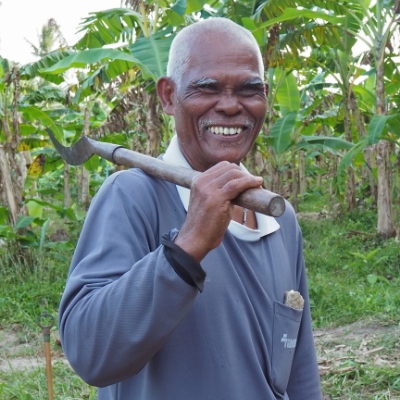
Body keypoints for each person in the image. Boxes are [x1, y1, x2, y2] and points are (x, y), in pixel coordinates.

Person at [59, 17, 322, 400]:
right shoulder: (133, 198)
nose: (231, 106)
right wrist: (187, 247)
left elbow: (298, 369)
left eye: (249, 90)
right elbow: (90, 355)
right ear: (168, 96)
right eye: (207, 88)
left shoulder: (279, 220)